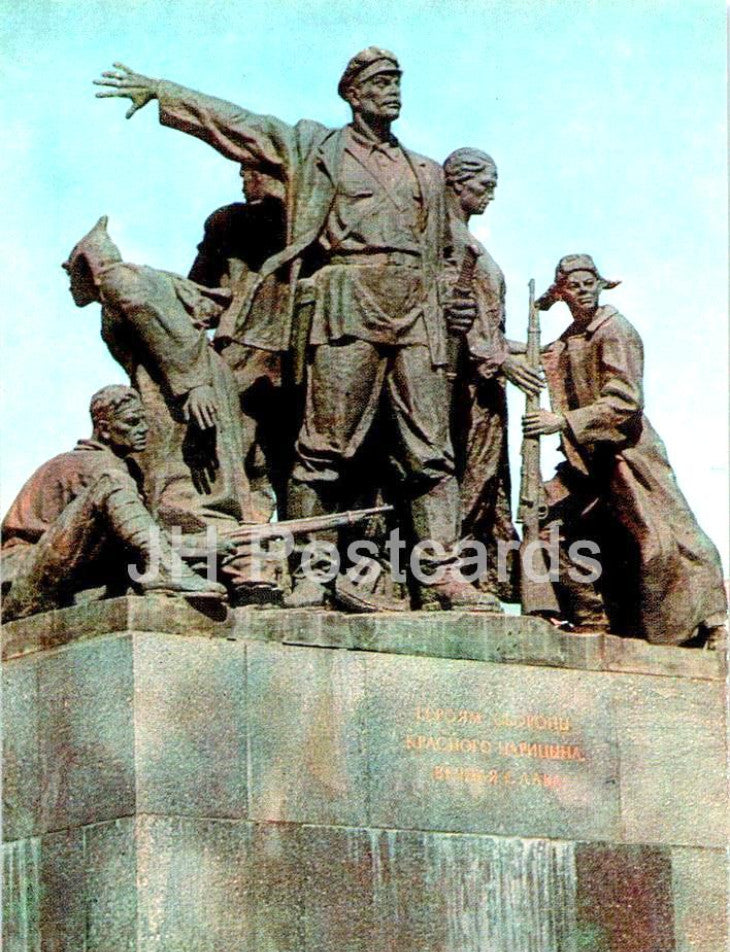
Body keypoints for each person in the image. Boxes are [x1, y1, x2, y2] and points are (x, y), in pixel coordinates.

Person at [93, 50, 495, 613]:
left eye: (397, 83)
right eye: (380, 83)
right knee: (323, 447)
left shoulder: (426, 171)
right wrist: (165, 90)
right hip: (346, 304)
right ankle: (311, 572)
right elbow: (244, 128)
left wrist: (454, 302)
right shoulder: (317, 148)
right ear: (352, 94)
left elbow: (450, 250)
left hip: (417, 313)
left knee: (431, 453)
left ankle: (443, 574)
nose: (392, 92)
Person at [523, 254, 727, 647]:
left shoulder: (615, 330)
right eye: (573, 285)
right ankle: (589, 617)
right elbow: (540, 356)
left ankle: (713, 622)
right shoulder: (574, 335)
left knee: (672, 539)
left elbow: (626, 402)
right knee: (545, 518)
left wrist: (563, 422)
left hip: (628, 455)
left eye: (589, 283)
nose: (583, 291)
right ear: (561, 291)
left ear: (600, 285)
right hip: (588, 459)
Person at [64, 217, 257, 543]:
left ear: (88, 267)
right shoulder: (130, 279)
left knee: (181, 468)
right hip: (175, 380)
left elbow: (166, 326)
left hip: (179, 385)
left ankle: (196, 544)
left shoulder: (119, 281)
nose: (70, 285)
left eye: (71, 274)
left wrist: (195, 385)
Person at [1, 386, 226, 621]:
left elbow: (134, 537)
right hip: (20, 584)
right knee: (112, 482)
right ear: (105, 430)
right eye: (132, 422)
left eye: (143, 421)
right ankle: (167, 571)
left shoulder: (116, 465)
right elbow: (126, 542)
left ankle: (167, 569)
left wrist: (200, 545)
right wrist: (195, 546)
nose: (143, 430)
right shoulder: (92, 466)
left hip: (53, 577)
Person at [443, 148, 544, 605]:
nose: (492, 196)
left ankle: (475, 577)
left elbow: (490, 329)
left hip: (486, 385)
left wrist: (538, 351)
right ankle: (440, 572)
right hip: (459, 387)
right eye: (486, 186)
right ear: (457, 183)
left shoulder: (469, 241)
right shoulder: (446, 242)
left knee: (485, 484)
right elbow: (457, 321)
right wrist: (502, 360)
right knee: (468, 479)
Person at [188, 161, 294, 517]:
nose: (243, 182)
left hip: (260, 346)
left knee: (245, 443)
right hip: (270, 347)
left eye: (247, 173)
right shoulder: (311, 217)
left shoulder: (230, 220)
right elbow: (200, 294)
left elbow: (199, 291)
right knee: (255, 447)